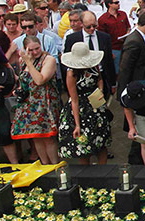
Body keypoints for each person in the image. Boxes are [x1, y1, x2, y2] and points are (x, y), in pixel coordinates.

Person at [58, 43, 111, 164]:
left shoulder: (94, 66)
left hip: (96, 104)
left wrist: (100, 91)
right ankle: (87, 175)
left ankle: (103, 170)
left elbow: (100, 80)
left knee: (101, 142)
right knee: (82, 145)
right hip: (80, 108)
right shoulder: (71, 74)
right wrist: (77, 124)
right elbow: (74, 99)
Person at [11, 35, 61, 165]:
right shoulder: (24, 61)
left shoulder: (48, 59)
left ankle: (55, 165)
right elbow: (24, 81)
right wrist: (18, 90)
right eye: (31, 50)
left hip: (45, 102)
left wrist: (28, 62)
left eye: (37, 48)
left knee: (48, 138)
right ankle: (45, 165)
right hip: (30, 103)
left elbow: (40, 80)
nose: (34, 52)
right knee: (36, 138)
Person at [64, 11, 116, 98]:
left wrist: (113, 83)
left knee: (100, 106)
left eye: (94, 26)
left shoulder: (104, 37)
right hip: (80, 81)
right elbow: (67, 61)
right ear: (81, 24)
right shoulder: (72, 39)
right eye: (88, 27)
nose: (92, 29)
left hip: (101, 77)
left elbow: (109, 61)